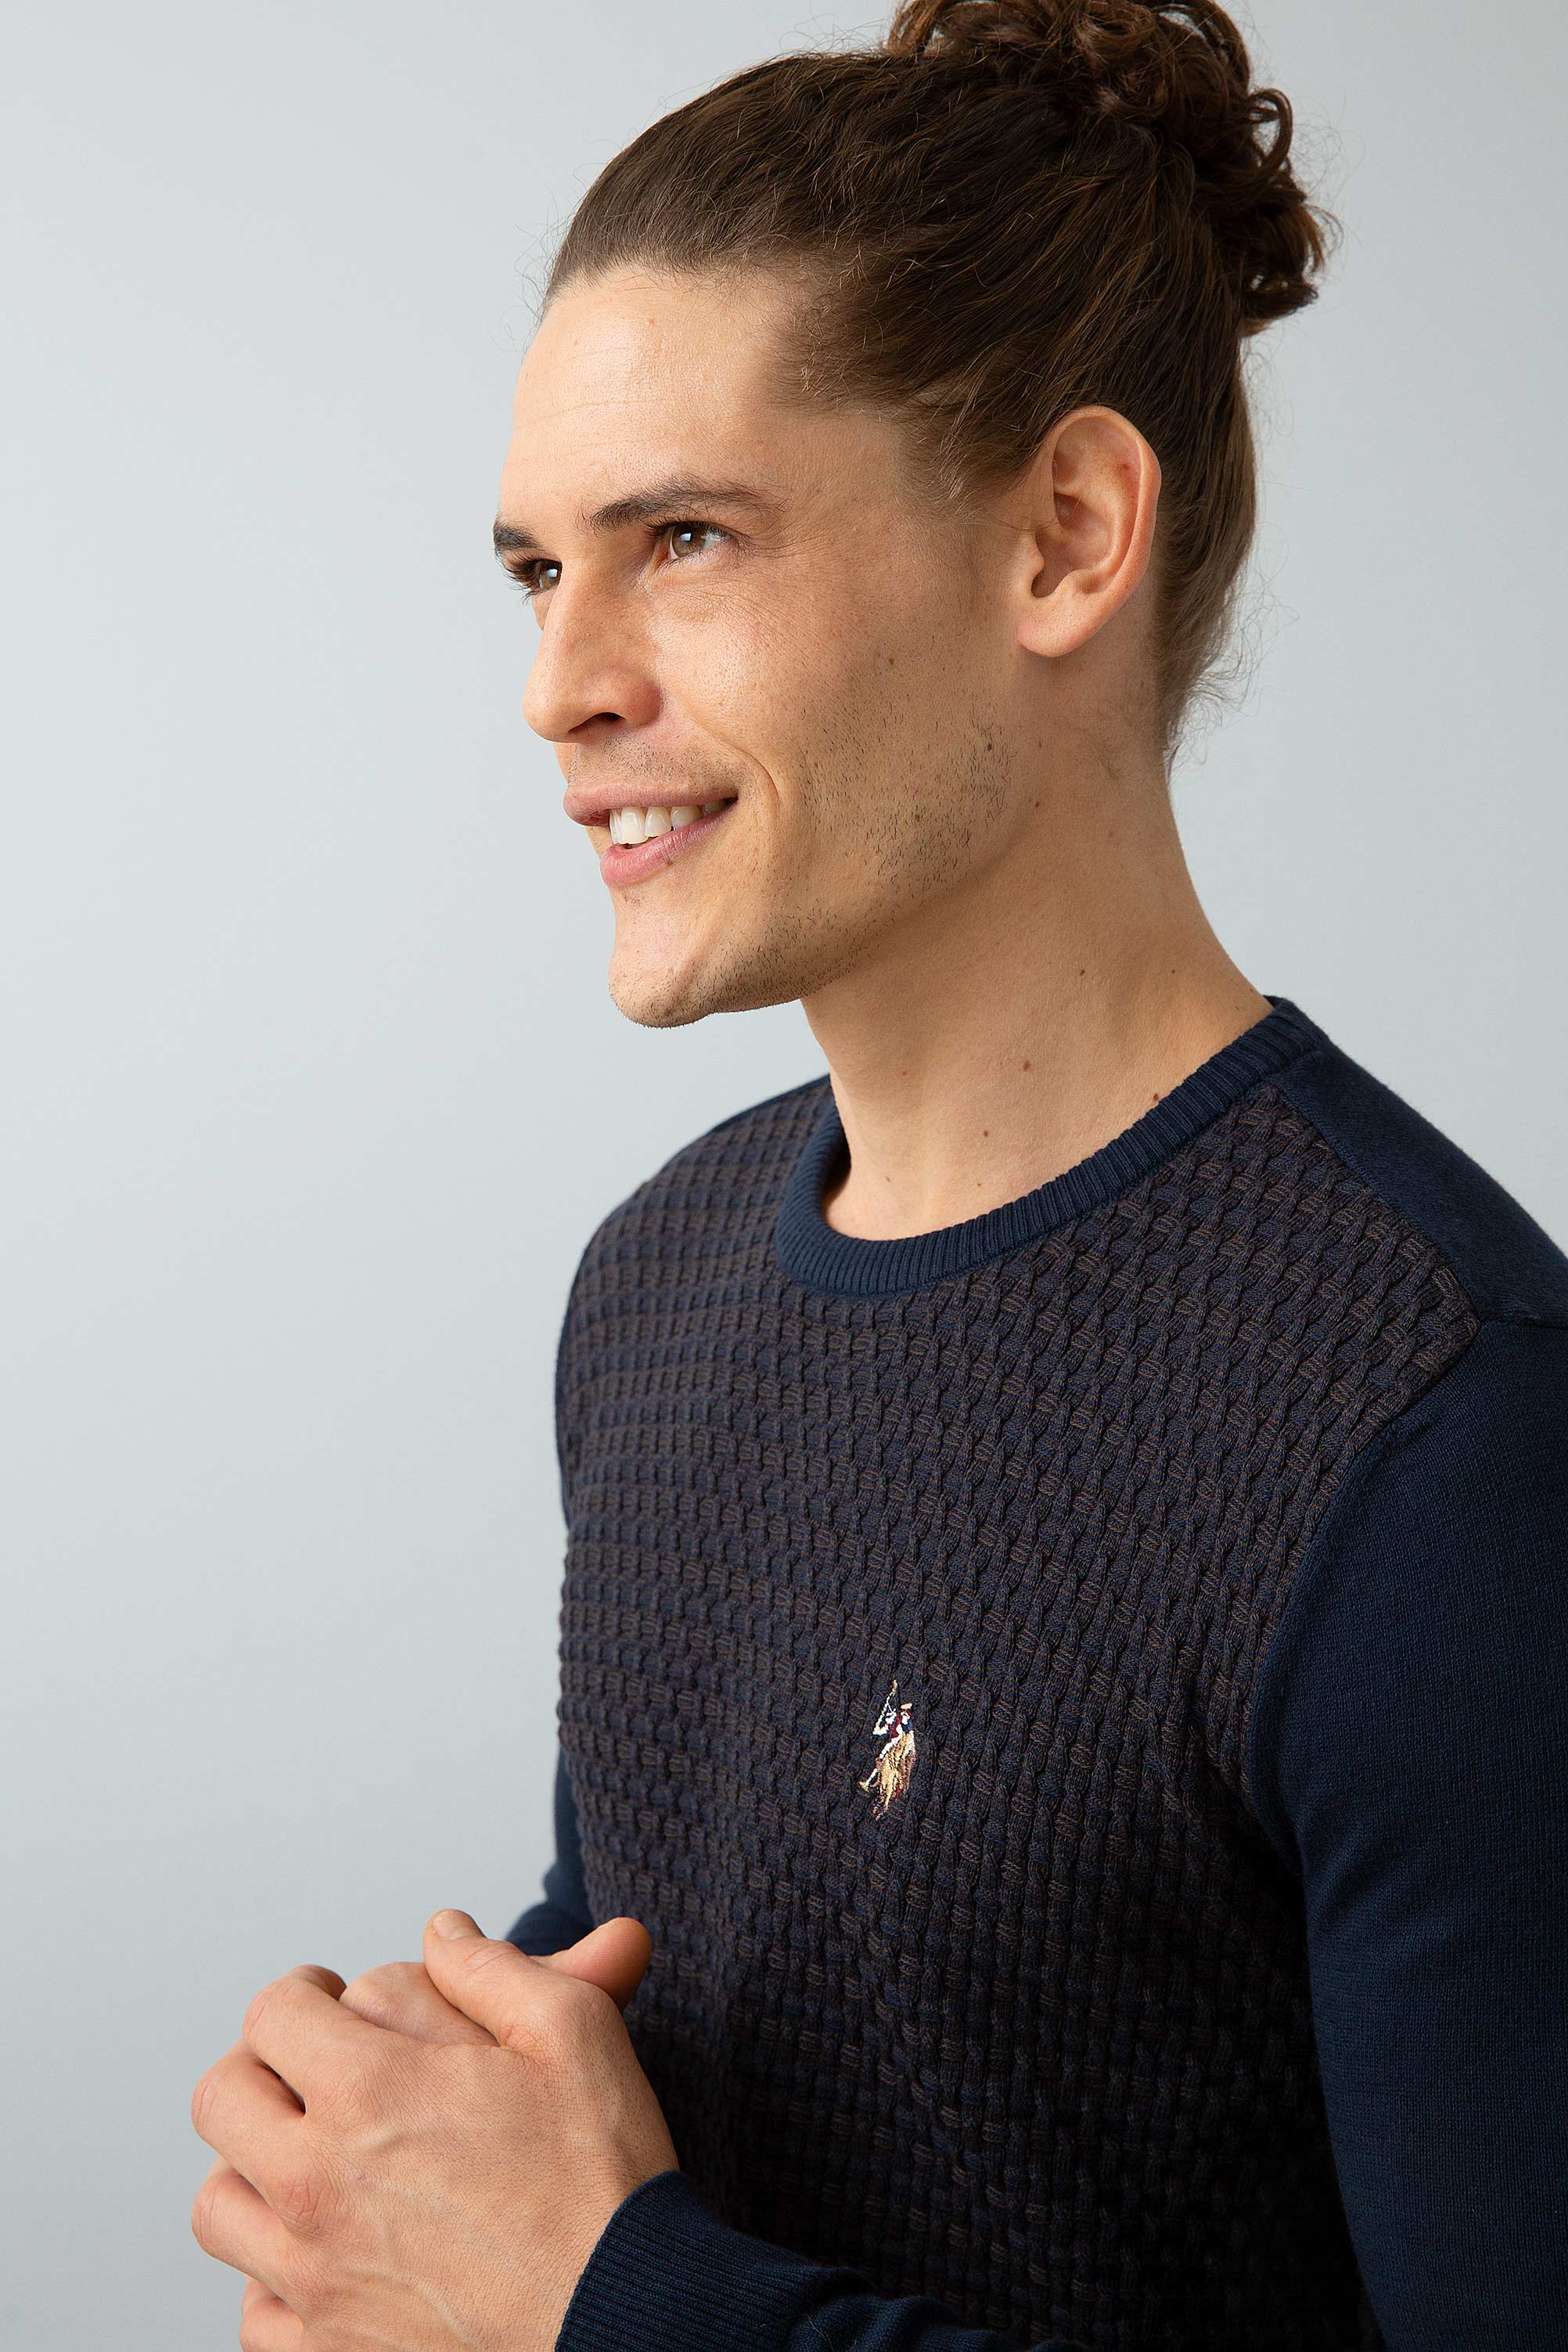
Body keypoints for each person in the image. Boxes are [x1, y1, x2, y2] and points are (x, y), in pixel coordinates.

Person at [189, 2, 1568, 2346]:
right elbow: (748, 2046)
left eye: (683, 539)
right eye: (535, 570)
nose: (558, 681)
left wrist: (600, 2296)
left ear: (1062, 538)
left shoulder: (1441, 1443)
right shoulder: (658, 1286)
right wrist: (409, 2150)